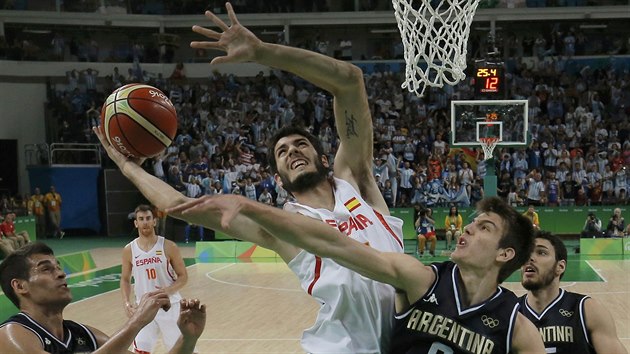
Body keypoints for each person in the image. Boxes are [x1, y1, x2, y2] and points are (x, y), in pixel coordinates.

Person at [94, 3, 404, 353]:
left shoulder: (357, 182)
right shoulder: (282, 226)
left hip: (409, 340)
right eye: (282, 152)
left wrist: (262, 51)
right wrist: (127, 167)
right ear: (278, 178)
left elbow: (350, 81)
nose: (293, 152)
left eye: (300, 144)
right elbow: (179, 205)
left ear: (322, 157)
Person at [168, 195, 546, 353]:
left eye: (484, 229)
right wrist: (249, 207)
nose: (466, 229)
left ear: (505, 253)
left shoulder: (518, 328)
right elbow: (334, 244)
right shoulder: (420, 280)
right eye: (472, 222)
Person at [0, 242, 205, 354]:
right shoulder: (10, 335)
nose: (61, 274)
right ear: (20, 286)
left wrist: (187, 339)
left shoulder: (84, 334)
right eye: (46, 269)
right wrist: (136, 322)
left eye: (59, 267)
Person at [520, 231, 628, 353]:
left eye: (541, 252)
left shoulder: (587, 310)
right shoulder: (511, 313)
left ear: (560, 267)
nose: (530, 258)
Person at [121, 205, 190, 354]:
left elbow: (183, 276)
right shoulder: (129, 250)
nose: (145, 222)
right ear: (136, 223)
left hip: (170, 306)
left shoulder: (168, 246)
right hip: (144, 308)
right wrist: (127, 302)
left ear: (154, 222)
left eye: (148, 218)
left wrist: (168, 290)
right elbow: (125, 279)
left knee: (180, 350)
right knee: (140, 350)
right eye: (141, 219)